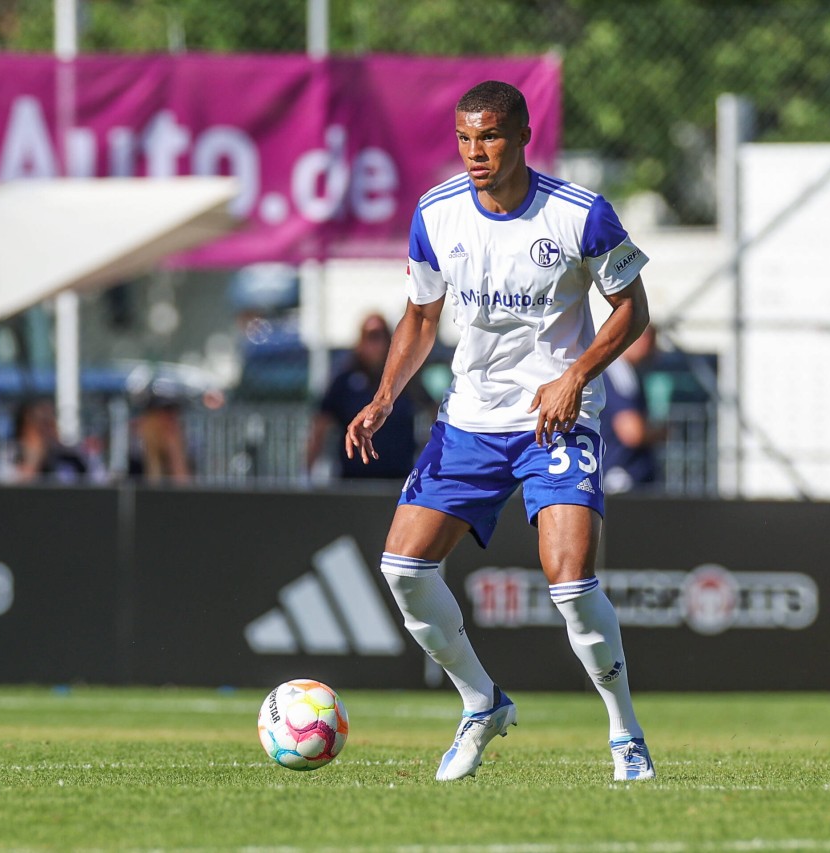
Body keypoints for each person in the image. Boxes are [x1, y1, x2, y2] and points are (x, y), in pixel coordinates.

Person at [345, 81, 656, 782]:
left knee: (571, 582)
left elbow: (632, 309)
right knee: (403, 569)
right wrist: (385, 394)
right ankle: (480, 703)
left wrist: (575, 375)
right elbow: (421, 316)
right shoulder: (436, 213)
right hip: (471, 421)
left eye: (488, 136)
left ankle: (625, 733)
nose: (474, 152)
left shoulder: (581, 215)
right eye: (463, 138)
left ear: (521, 135)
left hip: (557, 420)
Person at [306, 313, 424, 481]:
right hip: (354, 478)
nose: (376, 344)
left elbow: (432, 411)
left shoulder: (406, 381)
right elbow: (320, 425)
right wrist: (307, 472)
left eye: (381, 336)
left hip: (398, 477)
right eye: (370, 336)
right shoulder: (344, 382)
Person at [599, 324, 663, 493]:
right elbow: (632, 432)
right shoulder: (619, 372)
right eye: (653, 341)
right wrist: (662, 432)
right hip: (622, 477)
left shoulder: (626, 371)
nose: (656, 349)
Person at [11, 397, 92, 483]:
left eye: (50, 421)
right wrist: (36, 455)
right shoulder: (12, 454)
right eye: (41, 423)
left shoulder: (72, 458)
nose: (47, 430)